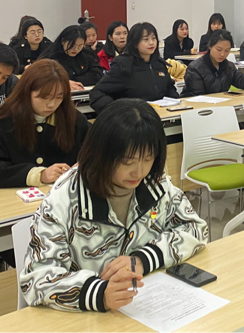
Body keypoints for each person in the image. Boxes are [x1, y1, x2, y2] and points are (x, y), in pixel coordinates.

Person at [19, 99, 208, 313]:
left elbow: (195, 227)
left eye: (147, 159)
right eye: (127, 161)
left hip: (145, 307)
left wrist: (144, 259)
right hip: (85, 318)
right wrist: (100, 294)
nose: (139, 172)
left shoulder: (154, 184)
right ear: (102, 153)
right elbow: (37, 278)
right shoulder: (66, 198)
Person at [0, 60, 91, 188]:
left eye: (59, 97)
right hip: (17, 198)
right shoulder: (4, 124)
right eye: (44, 97)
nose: (51, 104)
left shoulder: (75, 120)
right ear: (26, 92)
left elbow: (98, 151)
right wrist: (39, 175)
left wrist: (85, 165)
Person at [89, 23, 178, 113]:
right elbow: (97, 93)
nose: (151, 42)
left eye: (153, 38)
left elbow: (169, 89)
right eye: (146, 39)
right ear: (135, 43)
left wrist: (176, 102)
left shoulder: (159, 64)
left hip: (160, 115)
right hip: (132, 117)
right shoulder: (123, 65)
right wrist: (118, 111)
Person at [182, 30, 244, 97]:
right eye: (219, 49)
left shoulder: (229, 67)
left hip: (222, 104)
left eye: (227, 50)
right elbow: (197, 97)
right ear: (210, 46)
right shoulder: (195, 69)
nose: (222, 54)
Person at [39, 25, 103, 91]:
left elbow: (97, 74)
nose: (76, 49)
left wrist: (73, 81)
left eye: (80, 45)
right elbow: (44, 79)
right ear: (63, 41)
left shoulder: (86, 54)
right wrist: (65, 83)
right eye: (72, 45)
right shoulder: (50, 57)